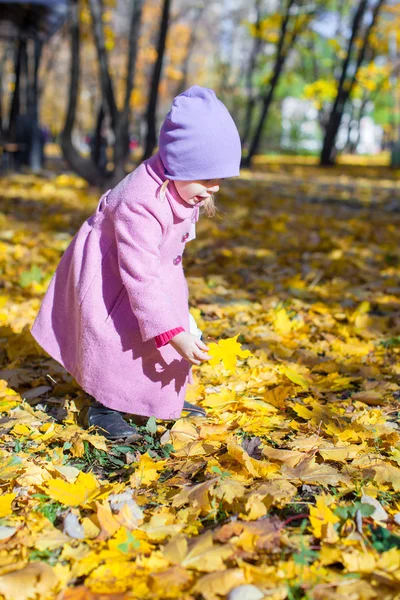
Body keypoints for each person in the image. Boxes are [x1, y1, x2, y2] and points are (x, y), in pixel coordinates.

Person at [30, 85, 242, 440]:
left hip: (154, 269)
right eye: (207, 177)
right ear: (179, 164)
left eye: (219, 178)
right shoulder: (139, 203)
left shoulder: (182, 188)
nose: (215, 187)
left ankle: (156, 398)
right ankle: (103, 404)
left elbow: (163, 260)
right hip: (113, 276)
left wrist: (178, 318)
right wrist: (173, 333)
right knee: (117, 338)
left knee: (165, 323)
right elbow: (139, 279)